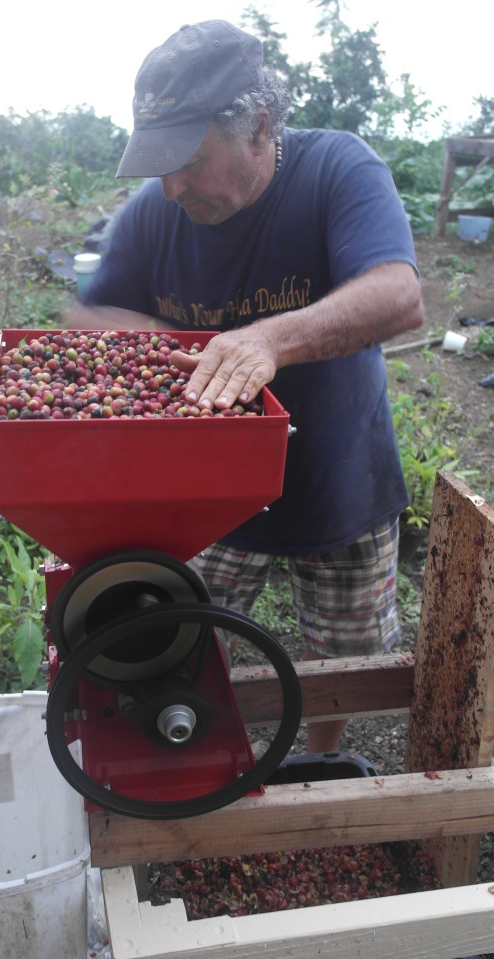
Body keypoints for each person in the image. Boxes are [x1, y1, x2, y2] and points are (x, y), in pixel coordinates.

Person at [74, 19, 425, 753]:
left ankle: (321, 760)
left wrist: (269, 338)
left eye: (190, 161)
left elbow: (397, 295)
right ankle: (203, 749)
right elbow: (91, 307)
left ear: (258, 128)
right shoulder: (154, 211)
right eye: (157, 165)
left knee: (344, 658)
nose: (171, 187)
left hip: (337, 479)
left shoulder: (336, 169)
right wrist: (184, 350)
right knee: (185, 631)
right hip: (209, 491)